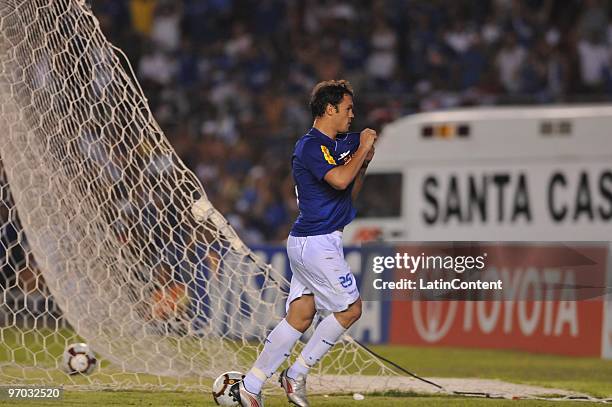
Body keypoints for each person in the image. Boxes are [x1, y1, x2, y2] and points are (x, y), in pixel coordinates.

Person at [234, 80, 376, 407]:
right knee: (351, 308)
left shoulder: (333, 145)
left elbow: (346, 193)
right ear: (330, 109)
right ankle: (296, 373)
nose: (352, 115)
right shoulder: (311, 145)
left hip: (314, 239)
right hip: (316, 243)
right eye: (348, 108)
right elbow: (340, 179)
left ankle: (250, 386)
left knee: (300, 315)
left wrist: (363, 163)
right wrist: (363, 149)